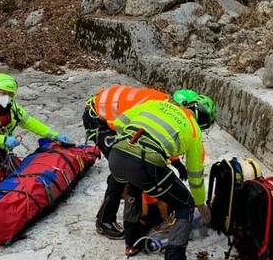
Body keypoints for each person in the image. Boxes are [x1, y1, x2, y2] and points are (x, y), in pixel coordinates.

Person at [105, 94, 217, 260]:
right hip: (145, 162)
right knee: (184, 204)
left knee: (134, 186)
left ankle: (132, 243)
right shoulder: (193, 130)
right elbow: (195, 175)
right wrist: (200, 203)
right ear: (203, 120)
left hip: (116, 155)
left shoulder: (156, 105)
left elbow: (118, 122)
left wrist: (139, 137)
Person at [82, 86, 197, 239]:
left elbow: (154, 135)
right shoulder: (151, 104)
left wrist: (175, 162)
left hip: (113, 117)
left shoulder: (165, 104)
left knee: (132, 164)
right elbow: (123, 130)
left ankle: (140, 212)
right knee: (122, 169)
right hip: (100, 120)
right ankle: (105, 220)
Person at [0, 73, 71, 187]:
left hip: (1, 146)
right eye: (3, 93)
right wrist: (3, 139)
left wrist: (54, 135)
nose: (7, 97)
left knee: (17, 171)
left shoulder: (12, 107)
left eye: (10, 94)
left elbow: (29, 122)